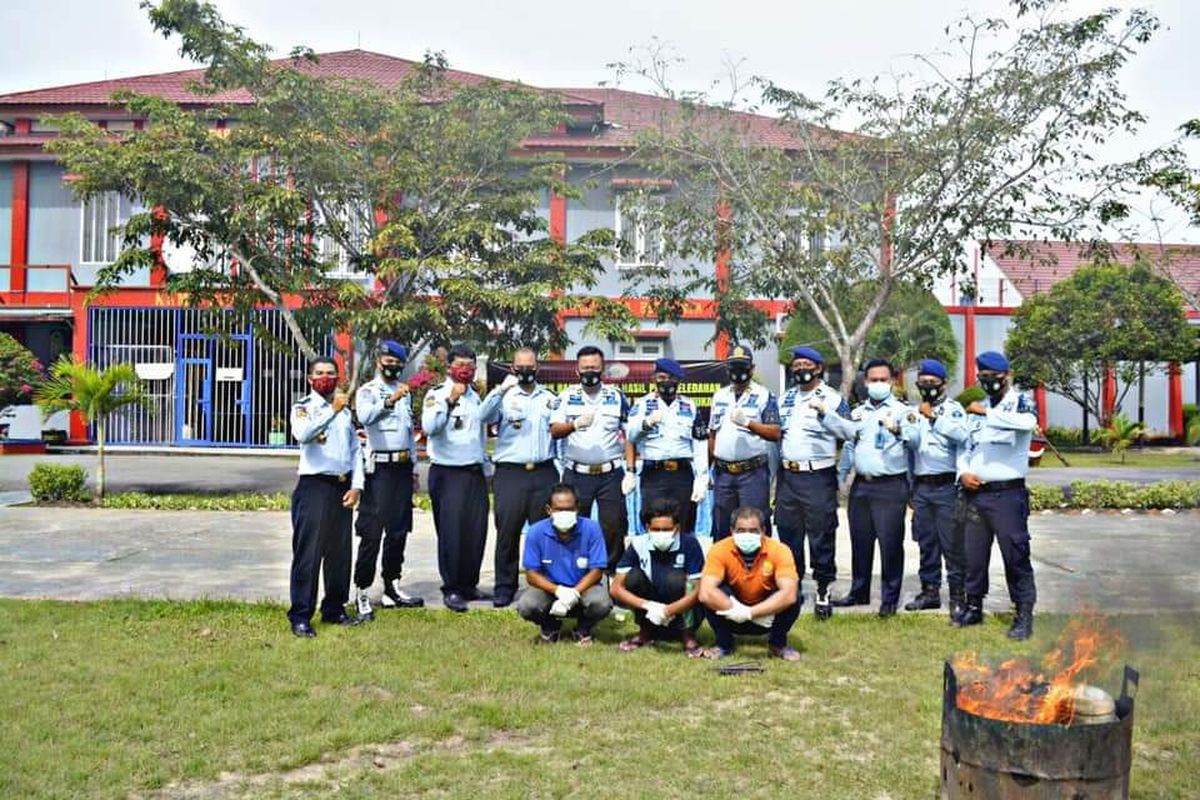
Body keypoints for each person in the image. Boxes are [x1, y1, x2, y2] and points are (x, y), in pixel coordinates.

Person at [818, 358, 917, 617]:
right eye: (874, 380)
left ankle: (889, 599)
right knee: (860, 541)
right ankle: (858, 592)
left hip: (890, 486)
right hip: (862, 486)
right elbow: (849, 438)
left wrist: (897, 429)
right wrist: (825, 415)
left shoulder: (902, 411)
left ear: (893, 381)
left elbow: (916, 440)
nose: (878, 384)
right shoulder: (859, 412)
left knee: (890, 544)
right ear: (865, 382)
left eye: (883, 379)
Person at [955, 351, 1038, 640]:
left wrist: (987, 413)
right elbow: (965, 448)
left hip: (1007, 495)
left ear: (1006, 376)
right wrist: (963, 473)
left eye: (993, 377)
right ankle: (973, 606)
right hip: (976, 493)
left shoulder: (1021, 402)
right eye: (983, 377)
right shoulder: (979, 408)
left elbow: (1029, 424)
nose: (987, 382)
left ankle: (1023, 614)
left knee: (1015, 556)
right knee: (974, 556)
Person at [287, 357, 366, 637]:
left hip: (341, 487)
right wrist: (331, 410)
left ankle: (334, 609)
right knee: (309, 554)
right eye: (319, 373)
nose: (325, 377)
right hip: (314, 487)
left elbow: (356, 450)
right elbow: (304, 434)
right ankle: (300, 615)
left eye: (330, 373)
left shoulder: (345, 411)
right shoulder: (304, 408)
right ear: (310, 379)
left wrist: (357, 486)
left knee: (339, 554)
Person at [775, 345, 849, 620]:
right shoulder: (784, 399)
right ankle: (792, 588)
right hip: (789, 477)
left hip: (818, 476)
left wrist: (825, 415)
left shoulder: (833, 398)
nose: (800, 369)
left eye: (806, 364)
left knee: (821, 535)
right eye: (796, 365)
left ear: (818, 368)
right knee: (788, 534)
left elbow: (849, 433)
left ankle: (822, 590)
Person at [479, 347, 557, 607]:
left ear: (537, 368)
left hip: (544, 471)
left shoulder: (550, 398)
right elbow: (482, 416)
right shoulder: (504, 396)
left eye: (530, 366)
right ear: (513, 369)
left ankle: (545, 584)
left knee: (545, 533)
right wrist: (499, 390)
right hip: (511, 473)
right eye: (520, 367)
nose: (525, 371)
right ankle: (504, 586)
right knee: (507, 532)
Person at [352, 341, 422, 620]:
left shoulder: (404, 393)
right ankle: (362, 591)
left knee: (398, 530)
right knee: (372, 533)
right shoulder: (368, 391)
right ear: (379, 361)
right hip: (377, 470)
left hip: (402, 468)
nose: (392, 366)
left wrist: (415, 468)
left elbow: (408, 433)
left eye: (397, 362)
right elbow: (366, 417)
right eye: (387, 361)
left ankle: (392, 586)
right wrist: (389, 401)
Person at [421, 343, 489, 613]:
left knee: (476, 531)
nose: (465, 371)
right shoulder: (436, 395)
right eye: (460, 366)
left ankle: (469, 584)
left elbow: (478, 436)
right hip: (448, 473)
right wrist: (450, 401)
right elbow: (430, 428)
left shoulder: (476, 396)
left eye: (470, 367)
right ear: (449, 367)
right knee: (451, 533)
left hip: (473, 472)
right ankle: (451, 589)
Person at [549, 346, 630, 571]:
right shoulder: (566, 396)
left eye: (594, 367)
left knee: (614, 526)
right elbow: (555, 430)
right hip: (576, 474)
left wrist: (631, 470)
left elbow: (631, 433)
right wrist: (574, 425)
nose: (590, 372)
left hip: (610, 474)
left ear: (603, 368)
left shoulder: (616, 396)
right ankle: (572, 571)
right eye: (585, 368)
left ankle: (611, 574)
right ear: (577, 370)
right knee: (571, 525)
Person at [904, 358, 969, 619]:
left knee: (952, 543)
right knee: (926, 542)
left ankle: (957, 596)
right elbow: (910, 448)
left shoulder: (954, 410)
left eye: (933, 382)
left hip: (946, 486)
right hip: (921, 486)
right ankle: (930, 592)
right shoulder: (913, 411)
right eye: (923, 382)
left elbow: (963, 436)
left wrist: (933, 419)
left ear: (943, 383)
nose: (927, 386)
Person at [698, 506, 801, 661]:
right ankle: (724, 645)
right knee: (713, 593)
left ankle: (777, 645)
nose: (747, 535)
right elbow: (706, 593)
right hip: (731, 614)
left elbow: (789, 595)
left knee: (796, 597)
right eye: (741, 530)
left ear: (763, 531)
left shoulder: (780, 550)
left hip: (767, 617)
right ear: (732, 531)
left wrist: (750, 613)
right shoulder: (719, 549)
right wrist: (737, 610)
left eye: (753, 531)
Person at [516, 483, 614, 645]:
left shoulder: (592, 529)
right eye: (559, 509)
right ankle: (550, 627)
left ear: (577, 509)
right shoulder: (536, 532)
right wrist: (558, 590)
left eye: (569, 509)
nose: (564, 513)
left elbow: (597, 570)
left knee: (601, 603)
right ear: (549, 510)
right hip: (549, 588)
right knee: (527, 605)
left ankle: (583, 628)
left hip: (585, 587)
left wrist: (574, 593)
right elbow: (531, 575)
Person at [609, 497, 706, 656]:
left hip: (680, 608)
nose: (661, 533)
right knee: (633, 577)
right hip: (650, 609)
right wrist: (648, 606)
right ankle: (645, 632)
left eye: (667, 529)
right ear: (647, 527)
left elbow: (698, 590)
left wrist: (667, 611)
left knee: (677, 579)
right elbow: (616, 588)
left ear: (676, 528)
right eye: (656, 529)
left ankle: (687, 635)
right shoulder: (638, 544)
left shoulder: (689, 543)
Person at [625, 358, 709, 535]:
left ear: (678, 380)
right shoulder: (642, 404)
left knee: (684, 523)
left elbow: (700, 443)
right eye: (661, 377)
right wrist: (646, 423)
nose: (666, 382)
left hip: (682, 474)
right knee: (653, 522)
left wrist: (702, 478)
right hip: (653, 475)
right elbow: (630, 435)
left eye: (671, 377)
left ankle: (683, 562)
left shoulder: (689, 406)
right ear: (654, 378)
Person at [707, 346, 780, 539]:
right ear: (727, 368)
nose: (738, 372)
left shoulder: (764, 395)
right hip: (723, 474)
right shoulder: (719, 395)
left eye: (743, 366)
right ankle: (725, 568)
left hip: (752, 474)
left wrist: (749, 423)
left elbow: (775, 433)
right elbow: (712, 434)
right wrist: (706, 471)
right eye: (734, 366)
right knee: (723, 526)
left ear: (752, 368)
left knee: (754, 525)